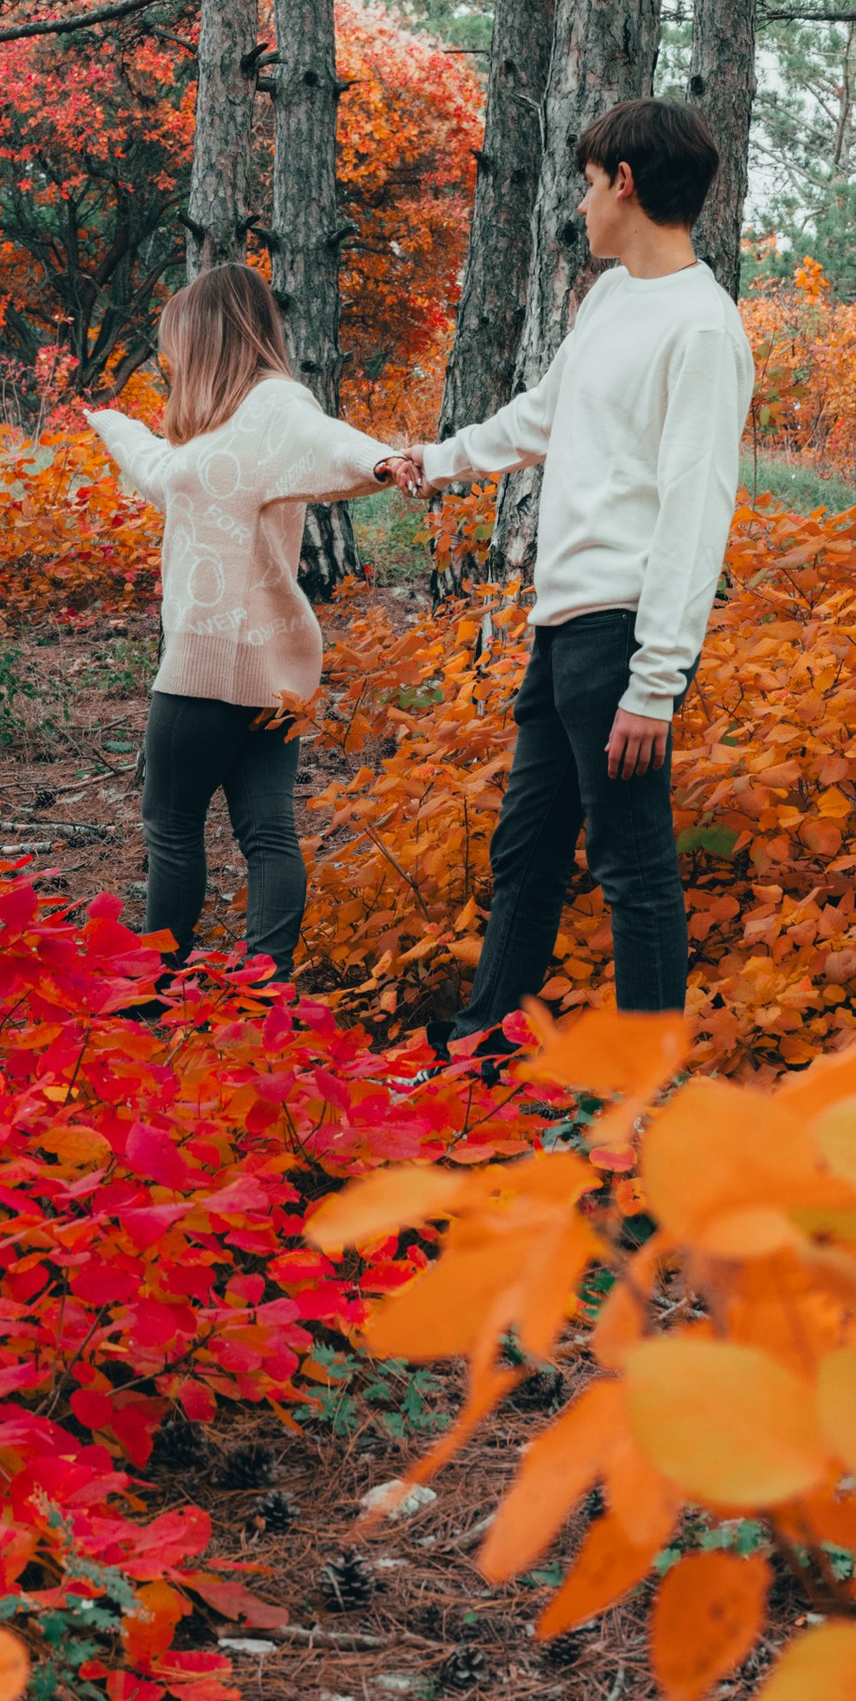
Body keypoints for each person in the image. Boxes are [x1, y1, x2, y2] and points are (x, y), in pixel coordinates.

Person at [382, 97, 752, 1050]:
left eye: (589, 186)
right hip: (563, 624)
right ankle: (479, 1052)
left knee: (633, 868)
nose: (581, 206)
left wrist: (656, 682)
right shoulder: (613, 299)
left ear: (625, 183)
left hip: (624, 634)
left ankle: (644, 1103)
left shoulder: (704, 330)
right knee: (528, 852)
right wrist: (439, 456)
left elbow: (695, 511)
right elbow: (542, 417)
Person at [85, 266, 393, 981]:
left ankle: (157, 987)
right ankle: (265, 991)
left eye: (179, 342)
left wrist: (380, 461)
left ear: (213, 335)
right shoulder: (220, 432)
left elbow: (331, 442)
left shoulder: (277, 406)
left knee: (172, 829)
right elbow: (165, 474)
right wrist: (113, 424)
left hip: (208, 663)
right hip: (270, 670)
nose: (172, 359)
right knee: (267, 833)